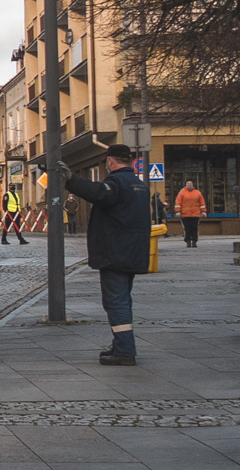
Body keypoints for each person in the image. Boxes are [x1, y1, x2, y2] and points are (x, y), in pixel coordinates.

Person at [42, 142, 153, 366]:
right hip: (133, 252)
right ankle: (121, 343)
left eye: (106, 162)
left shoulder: (116, 183)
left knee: (116, 301)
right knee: (123, 299)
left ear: (110, 162)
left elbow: (99, 193)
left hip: (116, 253)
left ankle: (124, 350)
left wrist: (71, 179)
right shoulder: (139, 185)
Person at [175, 179, 207, 248]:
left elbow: (202, 203)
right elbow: (178, 203)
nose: (189, 185)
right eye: (188, 184)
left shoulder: (197, 193)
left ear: (193, 185)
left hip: (195, 214)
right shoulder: (182, 193)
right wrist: (178, 211)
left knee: (194, 228)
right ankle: (188, 241)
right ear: (186, 185)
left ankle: (194, 241)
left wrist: (203, 211)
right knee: (187, 228)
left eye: (190, 184)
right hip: (185, 214)